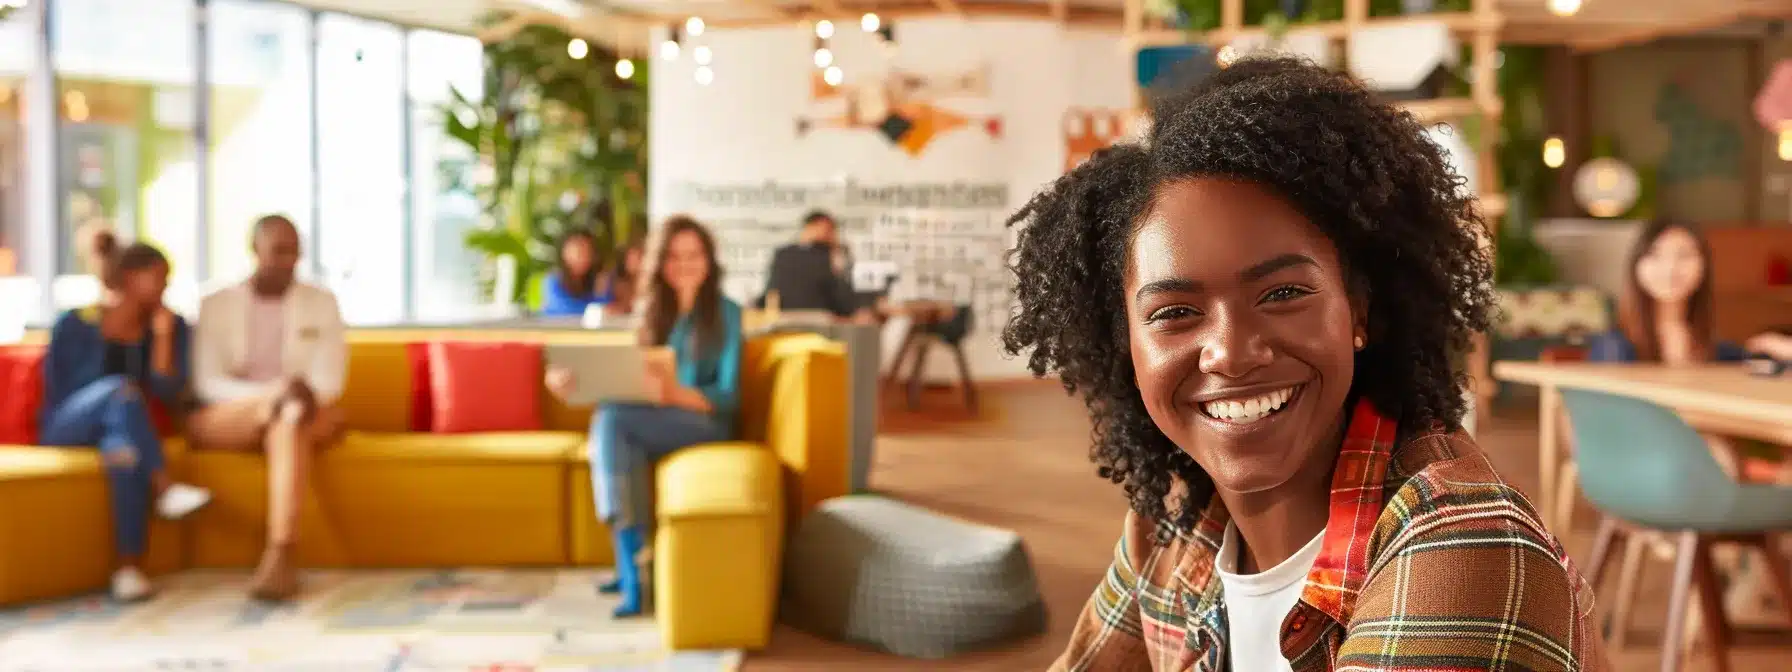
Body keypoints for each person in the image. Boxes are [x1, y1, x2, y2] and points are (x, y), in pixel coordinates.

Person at [1003, 58, 1606, 670]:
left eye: (1283, 294)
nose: (1231, 352)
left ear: (1359, 312)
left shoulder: (1466, 547)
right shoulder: (1170, 528)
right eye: (1174, 312)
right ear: (1126, 345)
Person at [545, 215, 742, 618]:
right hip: (651, 423)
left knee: (614, 421)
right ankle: (635, 567)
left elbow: (727, 398)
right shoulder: (653, 314)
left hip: (705, 425)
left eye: (694, 255)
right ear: (660, 263)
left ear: (709, 260)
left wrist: (672, 393)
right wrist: (571, 385)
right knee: (615, 422)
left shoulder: (727, 313)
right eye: (674, 256)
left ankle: (632, 568)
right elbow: (626, 379)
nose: (685, 265)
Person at [39, 232, 212, 602]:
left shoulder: (170, 326)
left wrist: (163, 338)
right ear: (131, 277)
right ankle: (164, 486)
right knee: (121, 390)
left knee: (124, 454)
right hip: (67, 424)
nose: (165, 287)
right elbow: (61, 390)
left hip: (123, 429)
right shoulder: (75, 323)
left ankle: (128, 569)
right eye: (159, 277)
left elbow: (167, 392)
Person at [187, 214, 347, 601]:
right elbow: (206, 382)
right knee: (283, 412)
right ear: (254, 250)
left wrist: (288, 400)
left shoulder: (321, 303)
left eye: (295, 251)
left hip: (303, 412)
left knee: (289, 420)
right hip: (233, 413)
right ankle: (282, 553)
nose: (288, 259)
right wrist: (270, 395)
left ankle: (281, 552)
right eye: (279, 250)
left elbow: (329, 382)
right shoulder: (215, 304)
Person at [1590, 219, 1792, 364]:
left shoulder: (1718, 350)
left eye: (1684, 255)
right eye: (1654, 255)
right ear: (1636, 267)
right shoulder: (1613, 346)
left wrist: (1780, 348)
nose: (1670, 268)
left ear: (1704, 267)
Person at [756, 210, 865, 320]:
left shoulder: (782, 254)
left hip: (784, 320)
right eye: (828, 230)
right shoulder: (829, 256)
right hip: (817, 320)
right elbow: (844, 303)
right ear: (811, 227)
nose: (831, 235)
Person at [540, 230, 603, 317]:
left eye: (587, 251)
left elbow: (607, 307)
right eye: (577, 251)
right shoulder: (553, 279)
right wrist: (598, 310)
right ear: (564, 253)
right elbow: (562, 309)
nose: (582, 257)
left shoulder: (596, 281)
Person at [595, 236, 645, 315]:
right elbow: (603, 306)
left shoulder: (650, 283)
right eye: (631, 258)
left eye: (639, 258)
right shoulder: (610, 280)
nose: (635, 262)